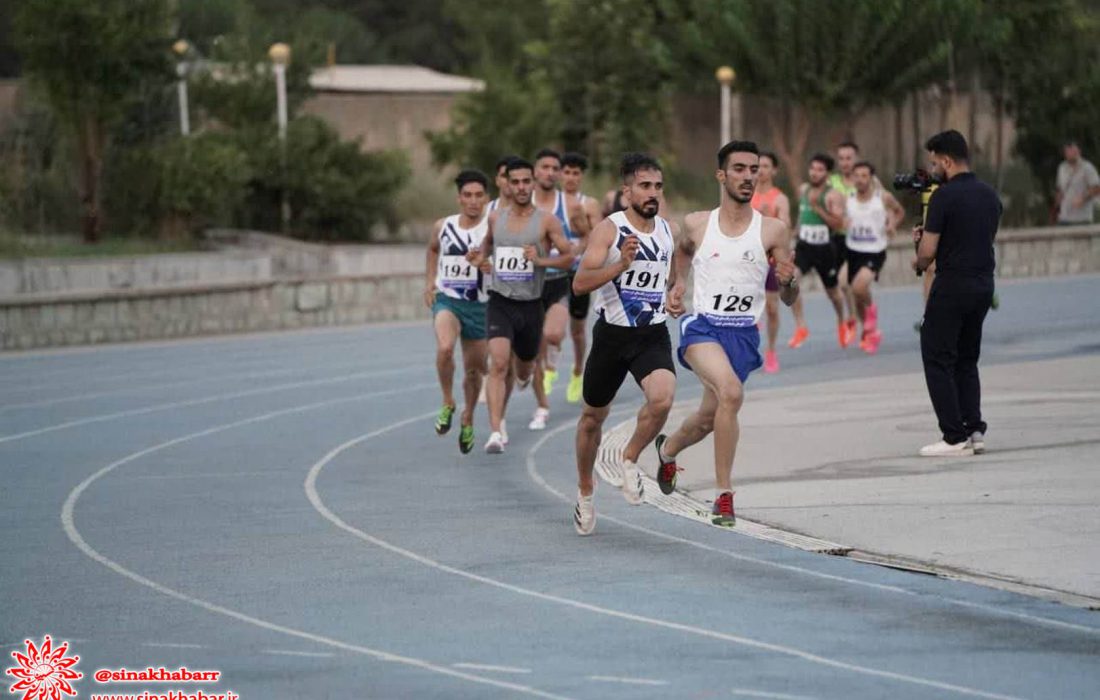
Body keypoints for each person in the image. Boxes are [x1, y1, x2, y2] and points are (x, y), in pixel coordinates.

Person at [657, 141, 799, 526]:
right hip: (702, 329)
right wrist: (678, 286)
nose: (748, 176)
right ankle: (724, 496)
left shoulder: (773, 230)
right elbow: (683, 251)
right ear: (722, 175)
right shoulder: (698, 223)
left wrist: (789, 284)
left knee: (708, 417)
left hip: (742, 336)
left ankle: (667, 452)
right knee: (732, 395)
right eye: (739, 169)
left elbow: (787, 296)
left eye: (753, 169)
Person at [571, 153, 678, 535]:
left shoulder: (666, 230)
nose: (653, 194)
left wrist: (675, 296)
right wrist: (620, 265)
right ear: (627, 191)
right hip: (613, 336)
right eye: (645, 186)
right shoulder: (609, 230)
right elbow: (580, 284)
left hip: (651, 333)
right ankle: (585, 491)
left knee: (663, 397)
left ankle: (629, 459)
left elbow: (671, 279)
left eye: (658, 187)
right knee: (591, 419)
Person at [472, 159, 575, 453]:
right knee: (498, 363)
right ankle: (494, 431)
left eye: (525, 181)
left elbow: (568, 258)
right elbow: (487, 247)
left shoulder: (546, 221)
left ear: (532, 183)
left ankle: (527, 374)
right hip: (500, 301)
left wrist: (541, 260)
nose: (520, 187)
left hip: (531, 306)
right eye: (514, 181)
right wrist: (478, 259)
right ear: (505, 184)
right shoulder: (495, 218)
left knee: (524, 369)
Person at [913, 130, 1001, 457]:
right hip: (983, 285)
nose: (932, 168)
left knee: (936, 356)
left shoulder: (943, 197)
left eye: (934, 162)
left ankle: (953, 436)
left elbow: (927, 254)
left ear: (947, 160)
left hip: (952, 285)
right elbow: (977, 237)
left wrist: (919, 245)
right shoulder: (990, 194)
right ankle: (974, 429)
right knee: (966, 358)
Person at [424, 170, 492, 453]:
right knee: (444, 348)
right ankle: (448, 401)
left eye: (478, 196)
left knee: (475, 372)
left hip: (481, 306)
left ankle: (468, 417)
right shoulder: (444, 226)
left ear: (486, 199)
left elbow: (499, 266)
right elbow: (432, 250)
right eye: (468, 196)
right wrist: (429, 282)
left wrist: (487, 267)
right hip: (448, 300)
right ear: (459, 198)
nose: (473, 201)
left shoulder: (493, 228)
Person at [529, 148, 590, 430]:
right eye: (548, 168)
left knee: (565, 331)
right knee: (536, 343)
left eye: (558, 168)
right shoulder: (523, 201)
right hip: (527, 281)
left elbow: (590, 235)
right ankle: (543, 382)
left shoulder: (574, 206)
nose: (555, 173)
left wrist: (577, 248)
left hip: (565, 276)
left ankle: (576, 370)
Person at [844, 161, 905, 354]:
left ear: (871, 178)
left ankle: (872, 310)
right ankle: (869, 331)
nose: (860, 180)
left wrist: (892, 225)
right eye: (857, 176)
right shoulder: (849, 198)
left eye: (864, 176)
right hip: (853, 250)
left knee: (859, 287)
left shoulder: (882, 197)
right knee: (856, 295)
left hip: (875, 250)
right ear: (852, 178)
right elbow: (841, 218)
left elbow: (899, 211)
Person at [787, 154, 848, 349]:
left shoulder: (833, 195)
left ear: (827, 173)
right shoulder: (804, 189)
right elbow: (802, 216)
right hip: (804, 246)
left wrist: (818, 208)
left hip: (824, 249)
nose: (814, 173)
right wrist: (795, 232)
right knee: (791, 280)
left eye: (820, 169)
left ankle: (841, 320)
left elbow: (839, 223)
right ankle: (801, 326)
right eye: (812, 168)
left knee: (833, 292)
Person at [559, 152, 603, 404]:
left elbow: (597, 237)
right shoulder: (547, 202)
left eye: (576, 173)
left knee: (576, 329)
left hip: (578, 271)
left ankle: (577, 370)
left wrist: (580, 228)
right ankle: (548, 368)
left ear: (581, 176)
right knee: (547, 327)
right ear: (559, 174)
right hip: (551, 271)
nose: (571, 177)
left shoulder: (589, 204)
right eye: (567, 172)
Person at [750, 151, 791, 373]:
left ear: (774, 170)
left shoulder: (779, 198)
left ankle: (772, 350)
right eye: (757, 166)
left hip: (771, 260)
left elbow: (784, 227)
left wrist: (769, 218)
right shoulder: (746, 195)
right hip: (748, 260)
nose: (761, 171)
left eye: (766, 166)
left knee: (773, 309)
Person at [1054, 140, 1100, 225]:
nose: (1070, 153)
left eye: (1073, 150)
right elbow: (1060, 188)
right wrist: (1057, 202)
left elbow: (1097, 188)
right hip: (1064, 217)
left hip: (1082, 218)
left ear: (1078, 151)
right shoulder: (1062, 168)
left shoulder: (1087, 168)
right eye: (1067, 151)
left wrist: (1083, 198)